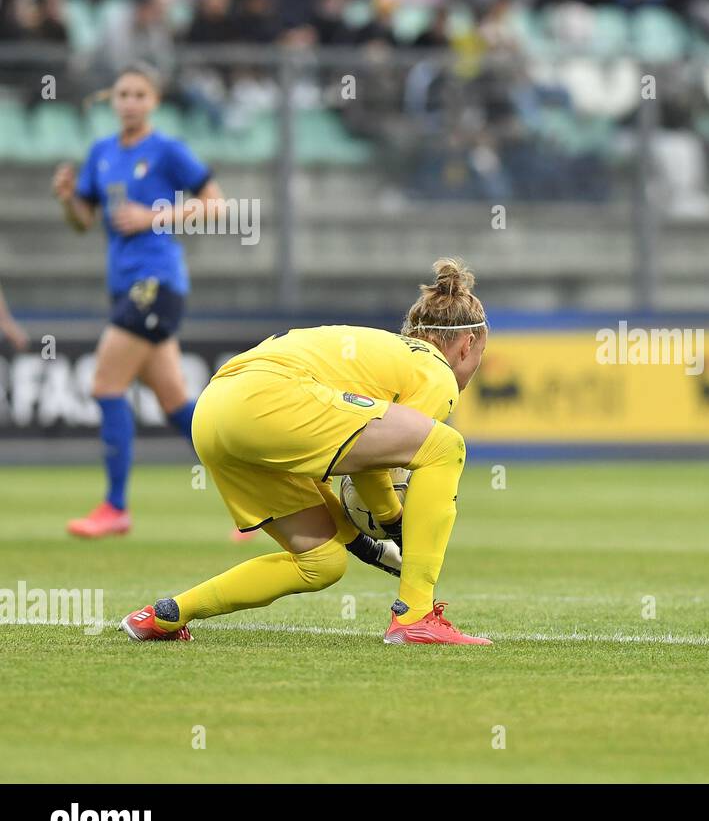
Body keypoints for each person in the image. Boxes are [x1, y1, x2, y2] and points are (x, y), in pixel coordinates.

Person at [120, 258, 493, 647]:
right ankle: (415, 616)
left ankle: (165, 616)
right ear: (467, 345)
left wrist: (364, 544)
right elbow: (375, 461)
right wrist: (394, 519)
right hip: (270, 398)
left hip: (214, 411)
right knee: (446, 447)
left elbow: (356, 457)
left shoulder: (381, 355)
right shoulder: (435, 371)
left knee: (320, 563)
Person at [51, 61, 225, 537]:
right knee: (177, 406)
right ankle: (264, 492)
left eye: (139, 94)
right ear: (112, 100)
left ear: (154, 101)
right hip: (125, 287)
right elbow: (83, 221)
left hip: (157, 284)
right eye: (122, 94)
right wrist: (68, 198)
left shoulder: (167, 150)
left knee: (105, 386)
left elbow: (217, 204)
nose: (129, 102)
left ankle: (115, 506)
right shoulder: (103, 152)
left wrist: (154, 216)